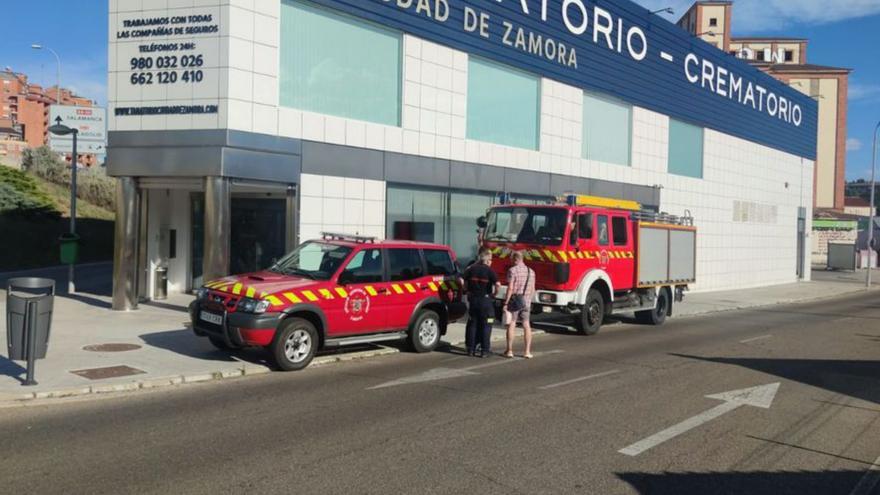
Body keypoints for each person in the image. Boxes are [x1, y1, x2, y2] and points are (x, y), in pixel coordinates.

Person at [463, 248, 499, 357]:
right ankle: (485, 350)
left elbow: (462, 280)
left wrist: (467, 290)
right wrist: (494, 294)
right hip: (486, 301)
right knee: (487, 325)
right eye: (491, 259)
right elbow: (498, 284)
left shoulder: (471, 269)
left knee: (472, 324)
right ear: (488, 260)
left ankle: (470, 349)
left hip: (473, 300)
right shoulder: (489, 271)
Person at [503, 251, 536, 359]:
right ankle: (527, 351)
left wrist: (506, 302)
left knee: (512, 323)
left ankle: (509, 350)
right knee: (526, 325)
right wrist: (528, 300)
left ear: (515, 259)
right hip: (526, 302)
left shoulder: (512, 271)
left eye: (512, 259)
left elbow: (510, 288)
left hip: (515, 301)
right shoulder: (531, 272)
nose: (511, 261)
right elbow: (532, 289)